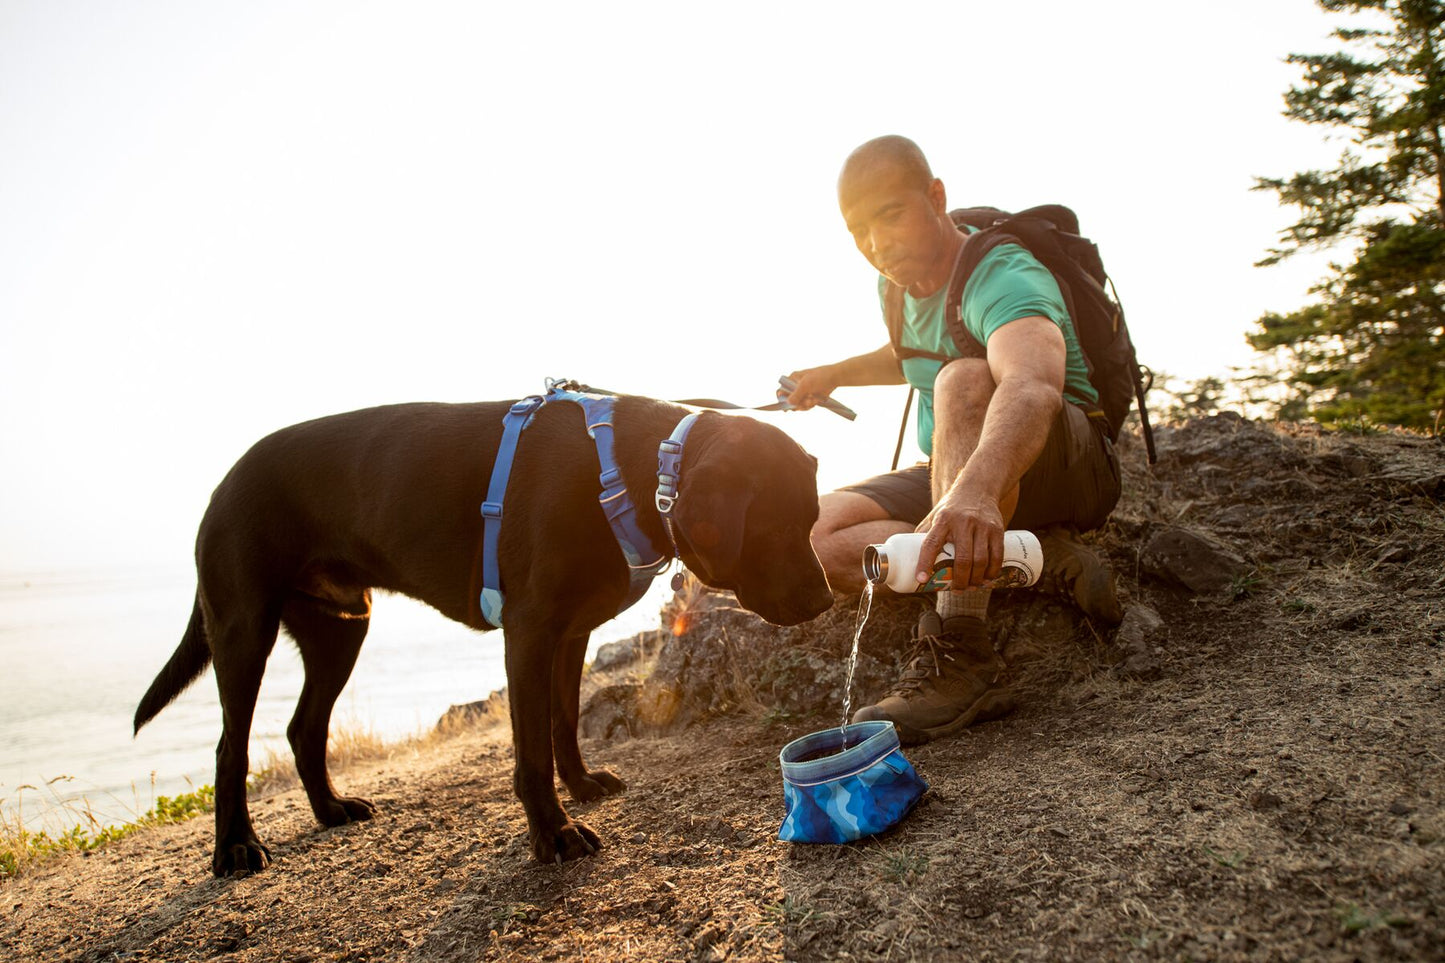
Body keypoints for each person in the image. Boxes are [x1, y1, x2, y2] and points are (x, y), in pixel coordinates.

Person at [787, 135, 1123, 746]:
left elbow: (1031, 384)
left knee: (965, 376)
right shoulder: (896, 287)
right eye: (858, 230)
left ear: (935, 196)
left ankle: (964, 650)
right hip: (963, 468)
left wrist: (971, 494)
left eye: (890, 214)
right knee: (815, 533)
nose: (876, 242)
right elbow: (907, 353)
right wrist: (830, 375)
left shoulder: (1001, 273)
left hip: (1064, 463)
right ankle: (1036, 559)